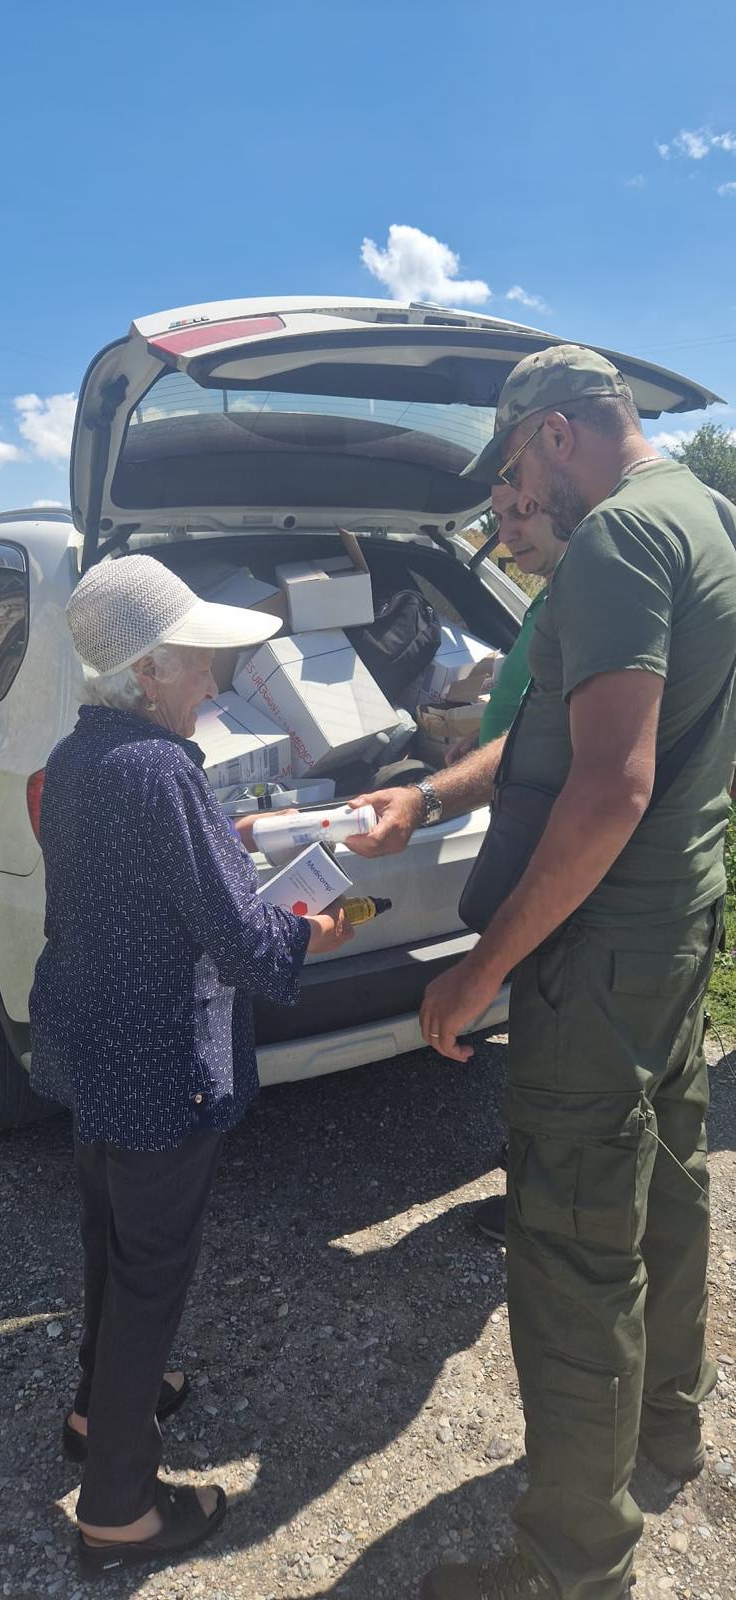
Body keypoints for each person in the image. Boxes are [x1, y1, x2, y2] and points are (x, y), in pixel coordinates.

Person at [349, 345, 736, 1600]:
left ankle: (570, 1565)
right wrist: (426, 794)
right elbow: (552, 729)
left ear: (558, 434)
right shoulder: (704, 514)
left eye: (515, 464)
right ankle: (666, 1427)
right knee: (667, 1180)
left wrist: (480, 972)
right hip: (674, 924)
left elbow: (610, 784)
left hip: (600, 949)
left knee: (572, 1247)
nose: (514, 492)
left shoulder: (617, 538)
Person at [29, 555, 352, 1579]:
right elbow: (243, 940)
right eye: (196, 660)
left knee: (111, 1238)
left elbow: (139, 879)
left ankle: (97, 1409)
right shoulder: (162, 769)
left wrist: (225, 836)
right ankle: (117, 1507)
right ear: (148, 669)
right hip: (161, 1059)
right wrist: (318, 930)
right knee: (152, 1271)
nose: (212, 679)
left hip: (93, 1044)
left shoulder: (80, 754)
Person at [446, 488, 568, 1245]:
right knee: (537, 1013)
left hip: (551, 846)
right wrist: (478, 745)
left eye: (523, 512)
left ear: (569, 510)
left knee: (556, 1023)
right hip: (514, 817)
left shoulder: (583, 609)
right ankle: (535, 1155)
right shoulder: (546, 601)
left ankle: (540, 1195)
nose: (508, 532)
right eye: (499, 519)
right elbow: (521, 713)